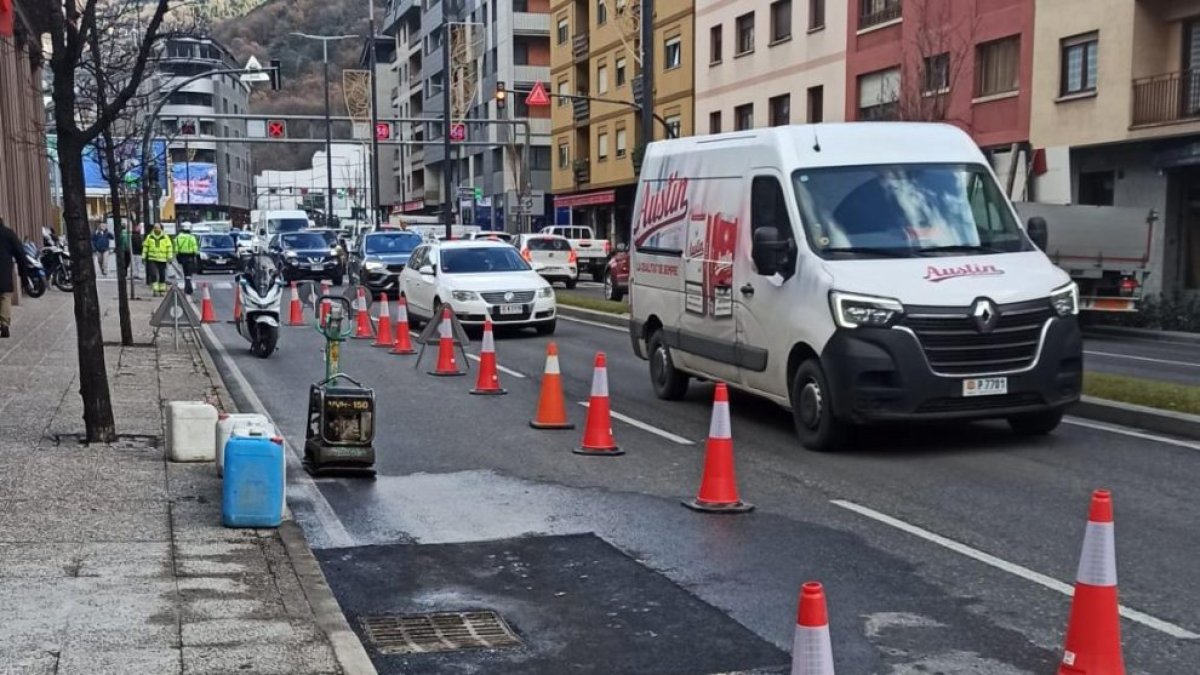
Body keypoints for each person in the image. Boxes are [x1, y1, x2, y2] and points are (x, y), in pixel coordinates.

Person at [1, 217, 32, 338]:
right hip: (4, 271)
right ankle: (4, 324)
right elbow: (20, 253)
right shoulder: (9, 234)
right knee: (4, 297)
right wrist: (24, 276)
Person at [142, 223, 174, 296]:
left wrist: (170, 257)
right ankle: (155, 290)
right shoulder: (149, 237)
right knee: (153, 274)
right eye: (155, 228)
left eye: (158, 228)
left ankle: (162, 290)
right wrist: (143, 257)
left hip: (162, 259)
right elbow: (145, 247)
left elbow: (169, 247)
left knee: (162, 275)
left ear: (161, 229)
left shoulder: (165, 237)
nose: (157, 229)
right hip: (152, 258)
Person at [174, 223, 199, 295]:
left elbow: (176, 248)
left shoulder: (178, 237)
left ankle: (187, 287)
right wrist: (196, 255)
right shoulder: (191, 237)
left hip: (181, 256)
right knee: (189, 273)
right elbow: (195, 248)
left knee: (185, 272)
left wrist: (177, 255)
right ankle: (189, 288)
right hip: (190, 256)